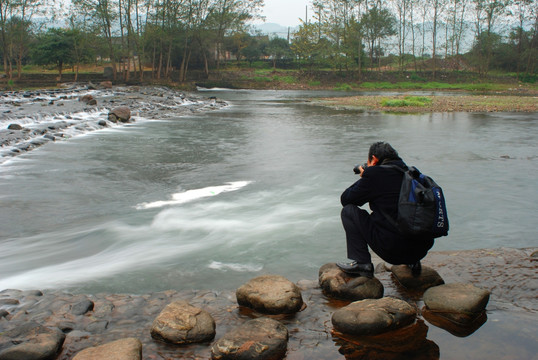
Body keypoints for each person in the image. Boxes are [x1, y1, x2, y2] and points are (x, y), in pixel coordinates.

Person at [336, 141, 434, 278]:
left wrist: (366, 176)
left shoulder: (375, 175)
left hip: (393, 251)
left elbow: (346, 199)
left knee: (349, 211)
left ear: (374, 159)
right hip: (421, 250)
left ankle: (363, 264)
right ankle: (413, 262)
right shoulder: (412, 174)